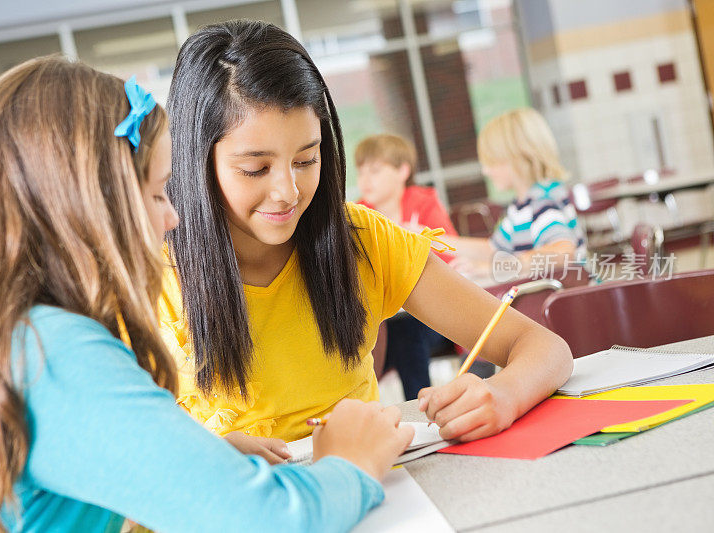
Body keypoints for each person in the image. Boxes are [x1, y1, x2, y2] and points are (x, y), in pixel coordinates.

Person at [0, 56, 414, 533]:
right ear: (88, 207)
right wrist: (352, 462)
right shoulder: (52, 352)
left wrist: (194, 462)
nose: (173, 216)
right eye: (157, 195)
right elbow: (276, 521)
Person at [159, 20, 573, 465]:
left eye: (306, 159)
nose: (288, 191)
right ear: (196, 161)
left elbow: (546, 349)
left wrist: (503, 395)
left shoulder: (362, 241)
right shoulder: (146, 274)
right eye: (256, 169)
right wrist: (199, 457)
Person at [354, 133, 459, 400]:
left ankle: (419, 405)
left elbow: (449, 255)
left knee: (405, 333)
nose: (365, 180)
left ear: (403, 171)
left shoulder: (423, 203)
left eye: (375, 171)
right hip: (385, 322)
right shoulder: (358, 214)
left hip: (435, 318)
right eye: (361, 172)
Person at [441, 107, 587, 278]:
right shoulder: (521, 207)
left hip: (571, 301)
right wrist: (432, 240)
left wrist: (496, 268)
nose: (485, 171)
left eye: (491, 162)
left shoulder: (541, 201)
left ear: (517, 159)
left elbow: (563, 252)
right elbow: (493, 249)